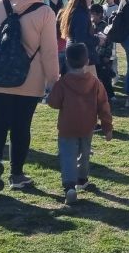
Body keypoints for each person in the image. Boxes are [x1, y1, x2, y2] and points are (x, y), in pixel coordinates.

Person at [0, 0, 60, 193]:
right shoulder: (45, 12)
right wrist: (54, 80)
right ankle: (17, 174)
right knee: (21, 126)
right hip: (29, 78)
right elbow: (50, 52)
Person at [46, 43, 113, 204]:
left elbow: (53, 103)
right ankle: (82, 179)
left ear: (67, 61)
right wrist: (107, 127)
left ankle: (69, 185)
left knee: (68, 155)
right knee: (84, 152)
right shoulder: (95, 82)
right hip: (88, 125)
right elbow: (104, 105)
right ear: (87, 61)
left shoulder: (63, 83)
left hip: (67, 125)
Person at [58, 0, 99, 74]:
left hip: (73, 52)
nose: (91, 0)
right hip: (82, 56)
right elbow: (81, 38)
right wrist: (97, 39)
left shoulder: (72, 11)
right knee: (89, 86)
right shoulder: (80, 14)